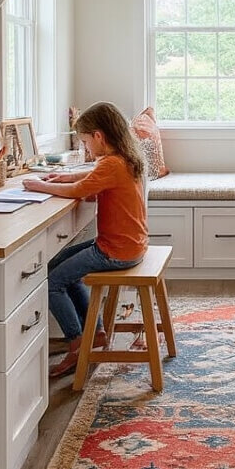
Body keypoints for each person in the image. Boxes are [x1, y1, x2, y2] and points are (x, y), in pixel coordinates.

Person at [23, 102, 149, 379]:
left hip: (114, 251)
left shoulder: (112, 164)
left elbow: (81, 188)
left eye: (85, 142)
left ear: (98, 137)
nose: (87, 148)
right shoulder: (124, 159)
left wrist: (42, 185)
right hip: (129, 245)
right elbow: (91, 176)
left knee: (51, 282)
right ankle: (97, 332)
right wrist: (63, 176)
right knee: (59, 266)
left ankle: (77, 342)